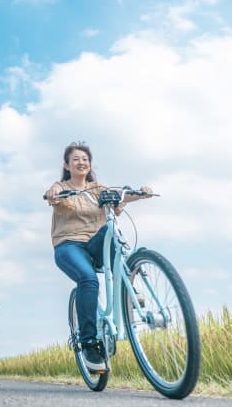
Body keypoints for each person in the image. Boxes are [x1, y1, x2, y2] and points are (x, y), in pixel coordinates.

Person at [45, 142, 153, 372]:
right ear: (66, 164)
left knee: (110, 230)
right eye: (75, 159)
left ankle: (129, 288)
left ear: (90, 163)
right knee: (88, 280)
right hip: (68, 246)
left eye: (85, 158)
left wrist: (140, 194)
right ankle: (89, 343)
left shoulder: (97, 189)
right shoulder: (61, 186)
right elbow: (52, 194)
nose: (81, 162)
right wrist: (52, 194)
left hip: (94, 244)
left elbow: (116, 196)